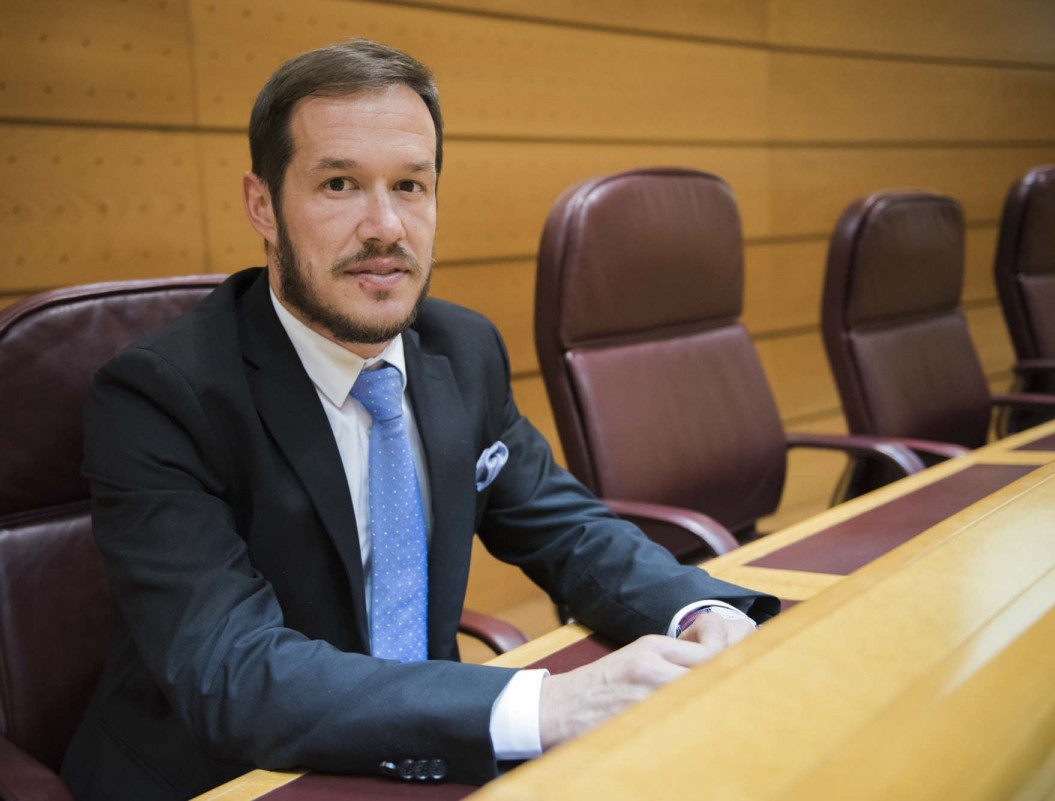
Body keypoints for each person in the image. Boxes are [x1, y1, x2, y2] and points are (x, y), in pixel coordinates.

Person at [60, 39, 778, 800]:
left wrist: (698, 610)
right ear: (262, 205)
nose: (385, 226)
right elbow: (232, 671)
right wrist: (549, 701)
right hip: (233, 777)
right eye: (339, 184)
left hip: (426, 762)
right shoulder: (159, 396)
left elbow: (569, 530)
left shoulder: (459, 350)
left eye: (410, 184)